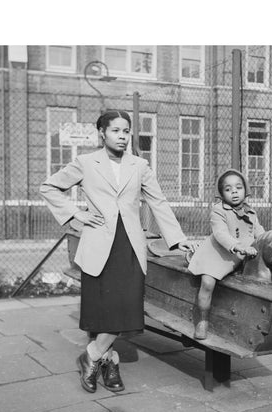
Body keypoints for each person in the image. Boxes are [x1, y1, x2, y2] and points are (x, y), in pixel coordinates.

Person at [40, 110, 192, 394]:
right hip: (98, 245)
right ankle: (110, 362)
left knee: (126, 307)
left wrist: (177, 238)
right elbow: (49, 187)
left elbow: (158, 201)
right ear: (102, 133)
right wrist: (76, 214)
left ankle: (92, 355)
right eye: (116, 131)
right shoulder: (85, 163)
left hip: (131, 246)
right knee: (103, 310)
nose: (122, 136)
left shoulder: (139, 165)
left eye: (126, 131)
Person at [187, 169, 265, 339]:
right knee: (207, 282)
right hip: (216, 254)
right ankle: (202, 319)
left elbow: (260, 233)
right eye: (228, 189)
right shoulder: (218, 211)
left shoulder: (251, 213)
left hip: (239, 257)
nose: (234, 192)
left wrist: (271, 240)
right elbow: (221, 234)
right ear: (222, 194)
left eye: (238, 187)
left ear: (246, 190)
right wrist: (238, 247)